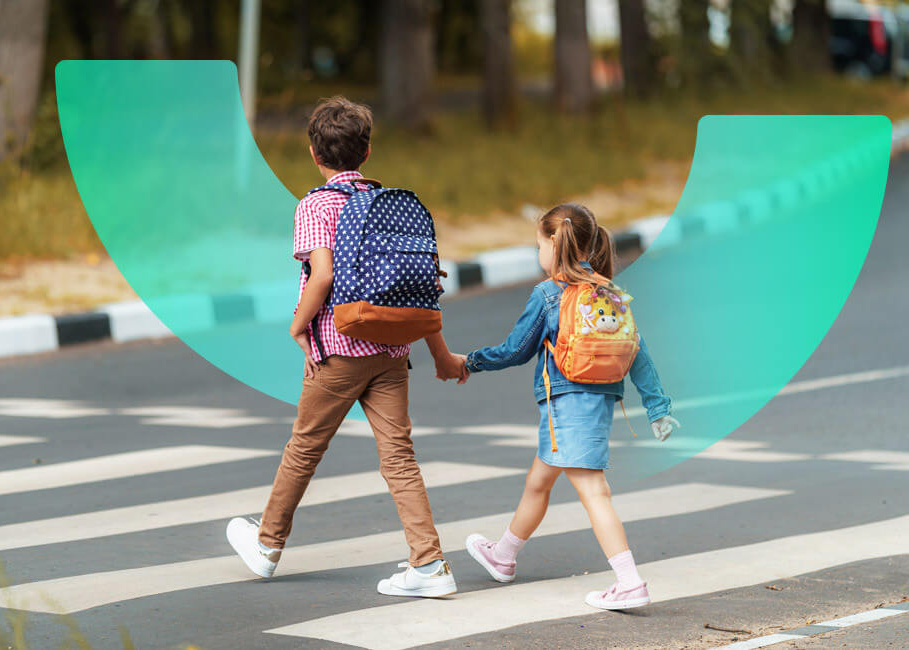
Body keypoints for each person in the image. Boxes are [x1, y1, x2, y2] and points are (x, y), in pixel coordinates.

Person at [226, 96, 466, 598]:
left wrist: (298, 326)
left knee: (304, 449)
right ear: (368, 151)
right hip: (392, 351)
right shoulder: (391, 203)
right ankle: (429, 565)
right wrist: (439, 352)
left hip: (337, 350)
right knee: (399, 457)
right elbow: (417, 290)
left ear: (314, 152)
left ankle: (267, 546)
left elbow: (323, 274)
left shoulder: (316, 204)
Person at [453, 203, 680, 610]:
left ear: (553, 245)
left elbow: (515, 350)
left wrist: (469, 361)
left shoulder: (548, 293)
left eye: (538, 245)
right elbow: (637, 352)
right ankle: (503, 556)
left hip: (567, 403)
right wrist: (657, 407)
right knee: (539, 481)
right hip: (596, 402)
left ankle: (629, 582)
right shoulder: (610, 292)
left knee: (595, 491)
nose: (537, 254)